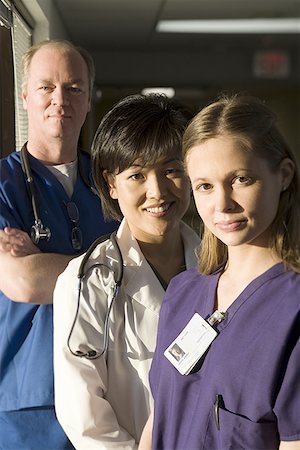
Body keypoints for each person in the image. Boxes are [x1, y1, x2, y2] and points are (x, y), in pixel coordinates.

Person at [139, 94, 300, 450]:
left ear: (284, 175)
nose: (222, 203)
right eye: (205, 186)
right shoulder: (182, 293)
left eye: (241, 179)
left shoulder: (292, 310)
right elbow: (159, 418)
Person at [53, 93, 200, 449]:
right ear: (111, 184)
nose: (158, 191)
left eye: (172, 170)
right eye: (137, 174)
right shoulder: (86, 282)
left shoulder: (222, 267)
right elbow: (84, 417)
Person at [0, 39, 116, 449]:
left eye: (73, 88)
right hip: (28, 406)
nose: (59, 99)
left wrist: (46, 264)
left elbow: (153, 267)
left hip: (109, 393)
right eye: (46, 87)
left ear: (88, 101)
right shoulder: (2, 187)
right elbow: (24, 282)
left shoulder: (114, 184)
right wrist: (114, 266)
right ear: (26, 96)